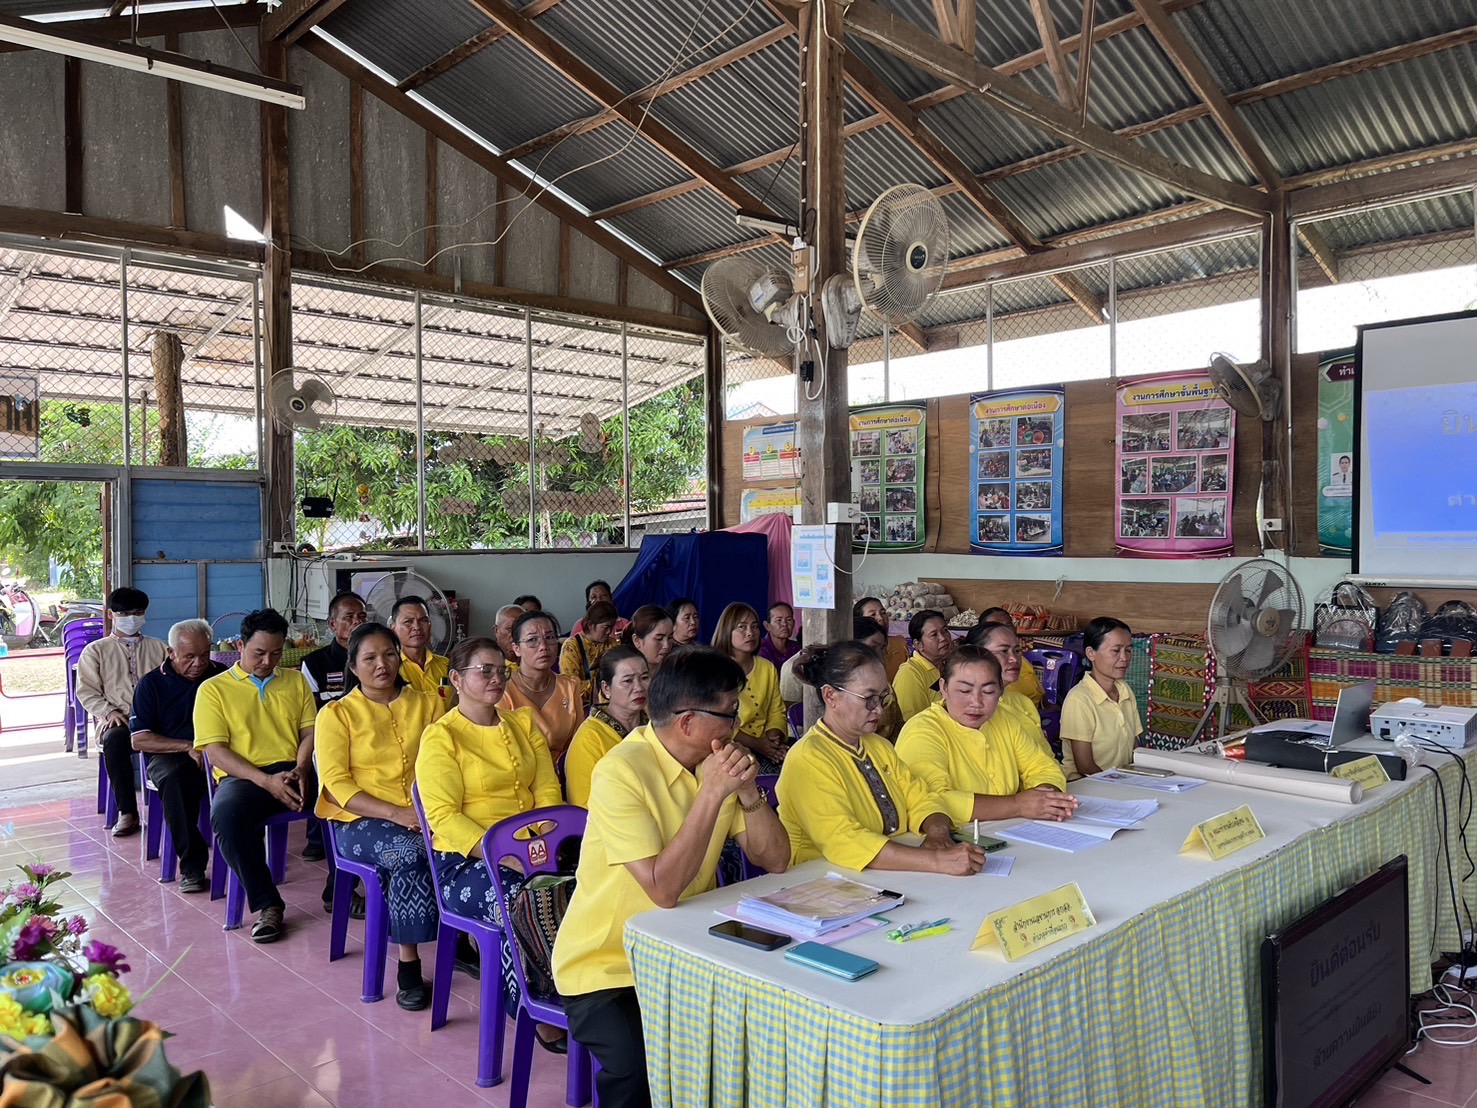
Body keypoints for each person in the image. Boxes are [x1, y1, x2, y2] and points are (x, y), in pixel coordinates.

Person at [552, 648, 790, 1108]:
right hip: (607, 967)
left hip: (686, 952)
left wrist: (746, 793)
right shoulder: (621, 771)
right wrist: (712, 793)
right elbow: (662, 889)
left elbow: (776, 859)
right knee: (640, 1071)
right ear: (687, 723)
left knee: (751, 1042)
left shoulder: (716, 760)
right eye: (730, 714)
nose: (738, 726)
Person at [416, 637, 567, 1049]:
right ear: (457, 679)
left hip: (534, 848)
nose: (496, 679)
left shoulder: (523, 723)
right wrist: (504, 853)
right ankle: (537, 1007)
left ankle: (584, 992)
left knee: (585, 884)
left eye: (502, 670)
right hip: (467, 860)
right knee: (522, 901)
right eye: (485, 671)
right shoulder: (442, 737)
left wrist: (540, 844)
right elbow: (444, 817)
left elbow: (547, 792)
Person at [315, 622, 446, 1010]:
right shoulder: (337, 714)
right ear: (353, 666)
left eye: (390, 654)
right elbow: (337, 783)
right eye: (369, 658)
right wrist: (398, 813)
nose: (382, 665)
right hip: (357, 821)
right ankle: (409, 963)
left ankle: (461, 941)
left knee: (462, 843)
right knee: (410, 853)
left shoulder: (429, 703)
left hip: (425, 814)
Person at [777, 642, 982, 875]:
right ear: (831, 696)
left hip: (887, 874)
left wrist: (938, 834)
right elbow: (845, 840)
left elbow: (921, 797)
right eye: (869, 699)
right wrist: (935, 860)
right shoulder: (807, 758)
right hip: (822, 881)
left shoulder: (879, 747)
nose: (879, 710)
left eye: (883, 698)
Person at [193, 609, 318, 943]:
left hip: (293, 768)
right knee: (227, 814)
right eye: (259, 653)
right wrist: (266, 782)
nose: (267, 661)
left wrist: (302, 768)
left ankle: (341, 891)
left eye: (276, 653)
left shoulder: (295, 681)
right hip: (244, 777)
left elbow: (310, 733)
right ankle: (268, 904)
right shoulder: (213, 690)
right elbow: (215, 751)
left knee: (344, 793)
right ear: (240, 645)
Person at [896, 646, 1074, 823]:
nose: (976, 702)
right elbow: (931, 799)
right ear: (944, 687)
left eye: (988, 691)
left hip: (1013, 828)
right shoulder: (922, 730)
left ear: (1001, 691)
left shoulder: (1005, 719)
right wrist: (1018, 805)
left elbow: (1043, 767)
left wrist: (1046, 799)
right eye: (965, 691)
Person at [129, 619, 225, 892]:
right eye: (189, 657)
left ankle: (246, 853)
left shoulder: (222, 675)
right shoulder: (151, 684)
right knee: (175, 780)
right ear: (170, 653)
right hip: (171, 754)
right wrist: (186, 747)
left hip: (218, 753)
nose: (198, 663)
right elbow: (139, 739)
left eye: (204, 655)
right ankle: (192, 864)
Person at [77, 587, 169, 838]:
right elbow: (87, 692)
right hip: (119, 719)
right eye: (125, 613)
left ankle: (176, 809)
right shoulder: (95, 651)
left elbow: (171, 685)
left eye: (138, 612)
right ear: (110, 615)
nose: (132, 618)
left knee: (183, 740)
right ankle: (127, 812)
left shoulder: (160, 649)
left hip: (156, 721)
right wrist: (107, 712)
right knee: (115, 741)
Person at [564, 646, 649, 808]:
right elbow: (583, 805)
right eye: (628, 681)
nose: (639, 687)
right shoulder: (589, 738)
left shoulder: (654, 723)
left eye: (644, 677)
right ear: (606, 689)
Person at [1061, 617, 1143, 780]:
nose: (1124, 658)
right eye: (1116, 650)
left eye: (1128, 650)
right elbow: (1085, 766)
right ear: (1091, 653)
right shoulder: (1080, 699)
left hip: (1120, 782)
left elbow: (1134, 749)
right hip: (1086, 784)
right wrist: (1120, 785)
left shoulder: (1124, 690)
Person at [711, 602, 788, 772]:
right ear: (727, 631)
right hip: (729, 747)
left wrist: (774, 735)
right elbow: (718, 723)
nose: (750, 633)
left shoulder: (767, 667)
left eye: (754, 627)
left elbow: (776, 711)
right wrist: (759, 745)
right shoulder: (715, 670)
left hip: (765, 744)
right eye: (742, 627)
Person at [501, 610, 584, 760]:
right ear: (516, 649)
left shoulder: (570, 686)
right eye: (532, 640)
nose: (543, 646)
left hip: (563, 773)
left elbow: (578, 744)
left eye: (550, 637)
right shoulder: (503, 688)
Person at [965, 621, 1054, 757]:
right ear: (976, 654)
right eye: (1003, 651)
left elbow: (1045, 758)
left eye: (1017, 651)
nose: (1014, 659)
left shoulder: (1023, 702)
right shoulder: (969, 710)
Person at [300, 592, 366, 710]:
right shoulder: (314, 663)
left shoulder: (377, 659)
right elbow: (310, 711)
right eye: (349, 617)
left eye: (362, 616)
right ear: (332, 624)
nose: (357, 621)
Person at [892, 609, 954, 722]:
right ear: (918, 644)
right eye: (934, 635)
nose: (943, 638)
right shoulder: (910, 674)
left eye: (945, 631)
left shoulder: (949, 666)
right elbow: (913, 721)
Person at [850, 617, 905, 741]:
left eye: (883, 648)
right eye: (873, 647)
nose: (881, 654)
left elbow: (898, 728)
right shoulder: (846, 690)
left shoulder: (887, 688)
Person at [978, 607, 1045, 707]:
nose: (1013, 658)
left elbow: (1042, 695)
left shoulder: (1022, 661)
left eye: (1008, 625)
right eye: (1003, 651)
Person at [389, 596, 449, 698]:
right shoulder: (389, 669)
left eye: (423, 620)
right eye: (408, 621)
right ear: (393, 629)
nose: (417, 627)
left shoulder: (446, 665)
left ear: (430, 626)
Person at [560, 600, 619, 705]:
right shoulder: (572, 647)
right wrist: (600, 685)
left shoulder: (611, 643)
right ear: (591, 625)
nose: (609, 632)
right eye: (606, 627)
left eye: (611, 627)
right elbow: (570, 685)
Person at [853, 596, 907, 680]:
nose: (881, 618)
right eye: (873, 614)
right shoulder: (855, 651)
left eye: (883, 612)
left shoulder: (899, 643)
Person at [623, 604, 675, 674]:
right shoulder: (624, 675)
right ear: (637, 640)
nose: (666, 645)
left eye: (670, 638)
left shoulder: (676, 672)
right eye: (659, 639)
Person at [758, 601, 800, 670]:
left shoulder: (797, 648)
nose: (784, 624)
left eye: (789, 620)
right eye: (779, 620)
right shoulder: (760, 650)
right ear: (767, 626)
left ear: (794, 623)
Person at [493, 604, 524, 670]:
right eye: (509, 629)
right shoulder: (488, 661)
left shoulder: (535, 661)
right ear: (496, 631)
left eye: (520, 629)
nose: (515, 634)